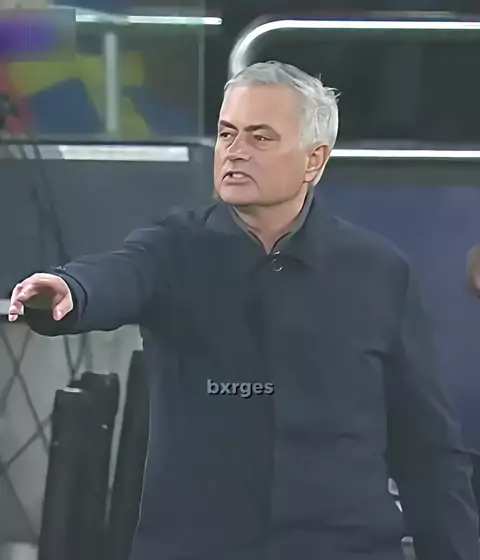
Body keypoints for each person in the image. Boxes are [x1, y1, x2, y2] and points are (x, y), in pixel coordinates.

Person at [8, 61, 479, 560]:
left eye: (260, 137)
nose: (236, 151)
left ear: (314, 160)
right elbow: (119, 274)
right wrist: (70, 289)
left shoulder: (377, 272)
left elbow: (427, 449)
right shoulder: (173, 249)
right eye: (227, 133)